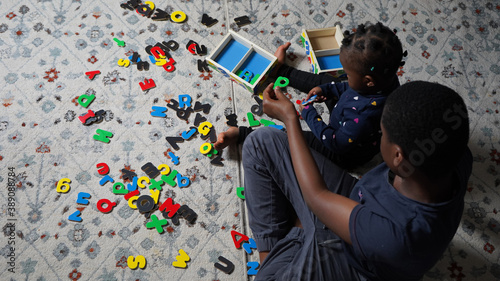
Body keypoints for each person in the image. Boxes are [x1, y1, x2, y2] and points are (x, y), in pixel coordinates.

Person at [242, 81, 472, 280]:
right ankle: (292, 239)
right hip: (357, 202)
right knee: (260, 141)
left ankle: (278, 255)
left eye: (383, 134)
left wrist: (291, 119)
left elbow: (317, 197)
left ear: (398, 155)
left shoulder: (399, 236)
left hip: (354, 260)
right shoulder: (453, 151)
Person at [216, 22, 407, 169]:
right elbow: (349, 89)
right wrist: (328, 90)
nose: (346, 77)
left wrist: (309, 113)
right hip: (349, 113)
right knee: (325, 82)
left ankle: (242, 134)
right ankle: (281, 71)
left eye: (348, 74)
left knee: (298, 139)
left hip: (341, 151)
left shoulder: (363, 116)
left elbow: (334, 141)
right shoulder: (384, 80)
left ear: (368, 81)